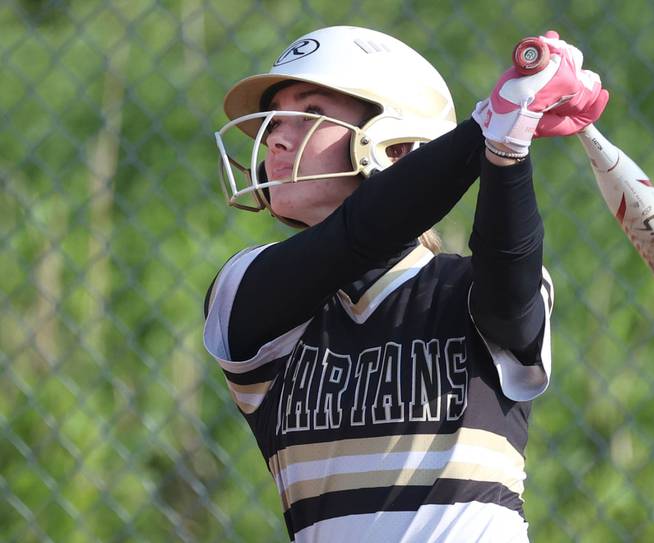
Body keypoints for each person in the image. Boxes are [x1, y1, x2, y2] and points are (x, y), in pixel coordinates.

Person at [204, 25, 607, 542]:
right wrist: (494, 122)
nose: (276, 138)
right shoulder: (243, 290)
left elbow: (509, 278)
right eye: (275, 119)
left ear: (396, 148)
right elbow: (356, 237)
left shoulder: (467, 288)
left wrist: (507, 147)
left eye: (311, 116)